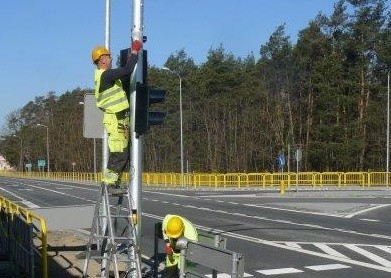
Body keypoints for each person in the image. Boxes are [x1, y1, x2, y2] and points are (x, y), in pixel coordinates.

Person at [91, 39, 142, 186]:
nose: (111, 58)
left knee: (123, 152)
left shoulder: (107, 77)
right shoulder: (105, 75)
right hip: (115, 118)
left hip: (120, 118)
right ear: (102, 60)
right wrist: (134, 51)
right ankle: (110, 181)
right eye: (109, 56)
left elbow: (124, 75)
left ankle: (114, 180)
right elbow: (127, 70)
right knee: (119, 152)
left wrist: (129, 61)